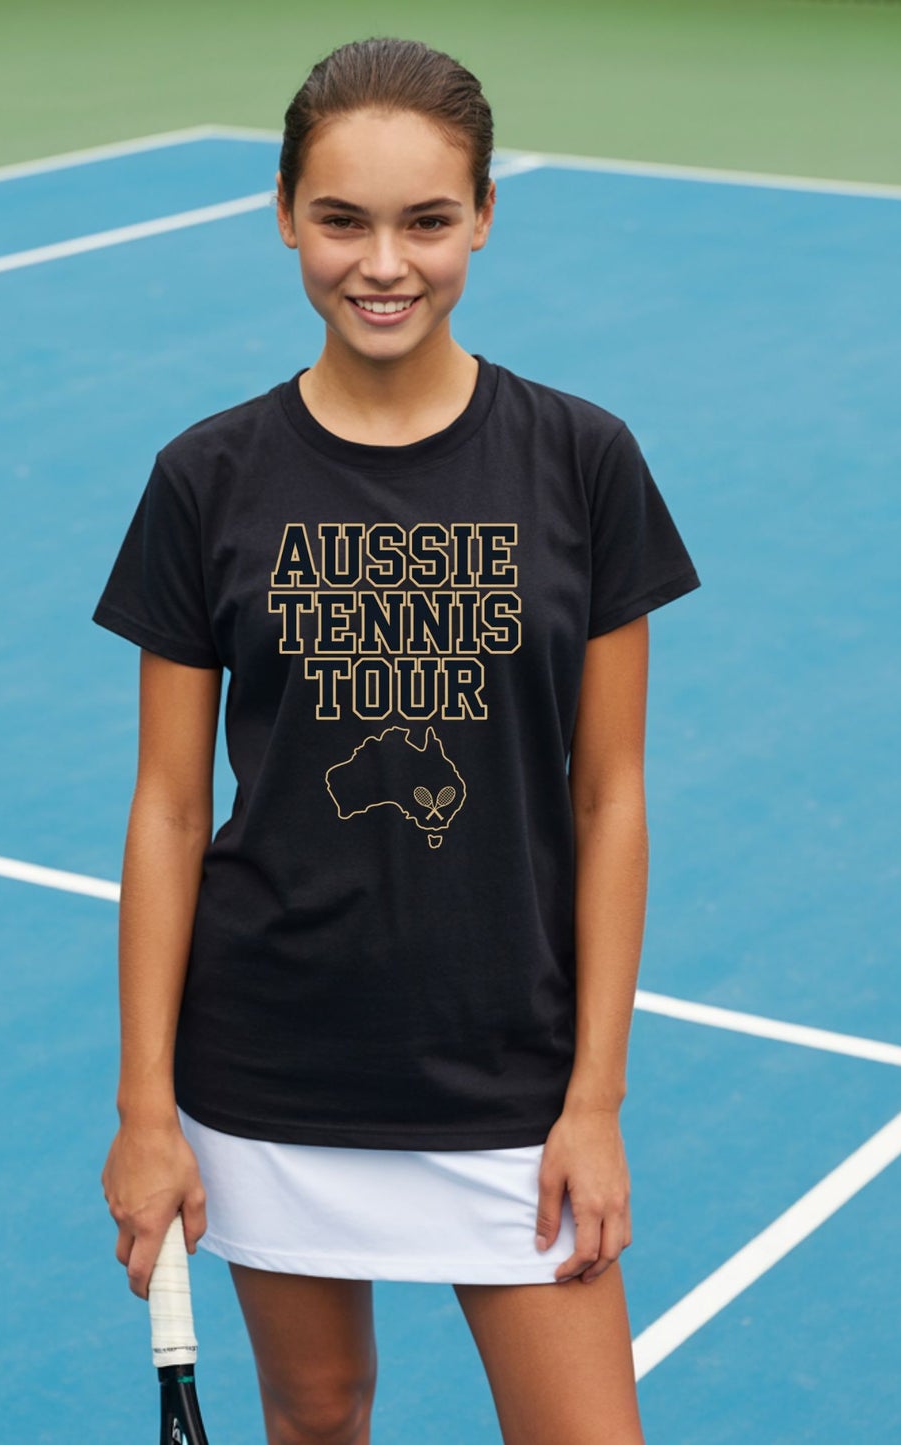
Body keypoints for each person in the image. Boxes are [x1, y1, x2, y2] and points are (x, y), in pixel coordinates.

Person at [94, 35, 701, 1445]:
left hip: (510, 1069)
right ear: (285, 215)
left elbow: (609, 796)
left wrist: (594, 1098)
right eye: (341, 219)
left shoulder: (580, 459)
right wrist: (145, 1113)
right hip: (270, 1066)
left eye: (427, 220)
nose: (384, 262)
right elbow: (170, 811)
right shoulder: (206, 479)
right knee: (315, 1418)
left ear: (484, 215)